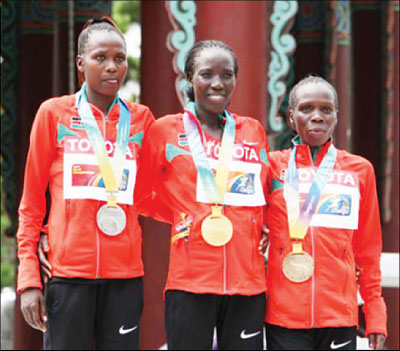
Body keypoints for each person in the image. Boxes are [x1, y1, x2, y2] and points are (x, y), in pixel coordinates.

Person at [16, 17, 156, 350]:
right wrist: (29, 278)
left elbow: (152, 194)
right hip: (67, 275)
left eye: (119, 58)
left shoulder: (141, 119)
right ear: (81, 63)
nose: (112, 67)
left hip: (124, 277)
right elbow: (32, 202)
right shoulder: (53, 113)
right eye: (101, 57)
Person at [134, 40, 269, 350]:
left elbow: (261, 192)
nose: (217, 83)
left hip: (247, 284)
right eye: (207, 74)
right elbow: (141, 195)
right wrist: (185, 215)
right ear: (190, 80)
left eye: (227, 74)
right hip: (190, 282)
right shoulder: (165, 130)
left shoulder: (252, 131)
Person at [263, 74, 387, 350]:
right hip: (284, 316)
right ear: (292, 117)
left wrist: (375, 311)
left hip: (339, 314)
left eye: (326, 109)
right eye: (307, 109)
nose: (317, 116)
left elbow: (368, 249)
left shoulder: (360, 170)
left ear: (336, 116)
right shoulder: (271, 166)